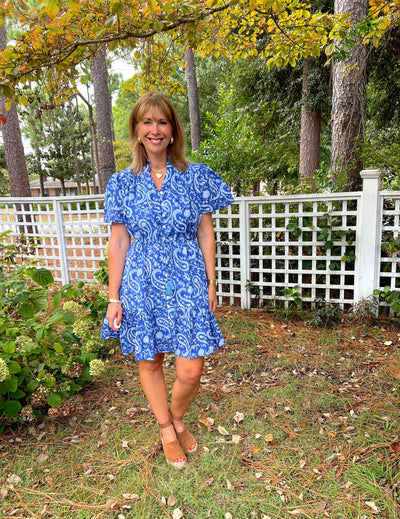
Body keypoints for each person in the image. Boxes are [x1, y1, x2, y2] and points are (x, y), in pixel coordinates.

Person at [101, 91, 234, 469]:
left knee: (191, 369)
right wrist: (114, 298)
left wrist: (211, 282)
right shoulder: (121, 183)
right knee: (152, 360)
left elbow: (205, 233)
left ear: (173, 129)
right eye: (147, 122)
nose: (155, 129)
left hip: (188, 277)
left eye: (162, 122)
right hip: (140, 281)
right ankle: (166, 427)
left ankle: (176, 416)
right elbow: (119, 241)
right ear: (137, 130)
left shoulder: (196, 176)